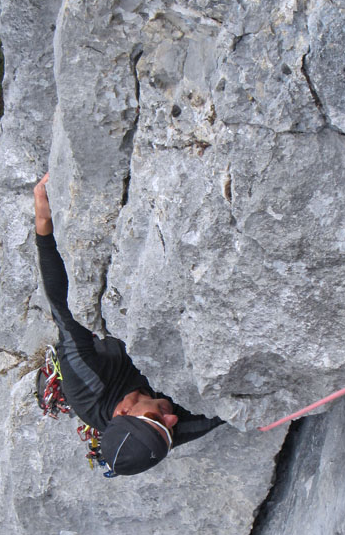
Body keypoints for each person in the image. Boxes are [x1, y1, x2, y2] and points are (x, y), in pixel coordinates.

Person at [33, 172, 223, 475]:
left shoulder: (89, 385)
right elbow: (229, 408)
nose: (173, 420)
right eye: (170, 433)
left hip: (107, 345)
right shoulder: (172, 430)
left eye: (159, 420)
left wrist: (44, 227)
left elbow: (64, 309)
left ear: (123, 411)